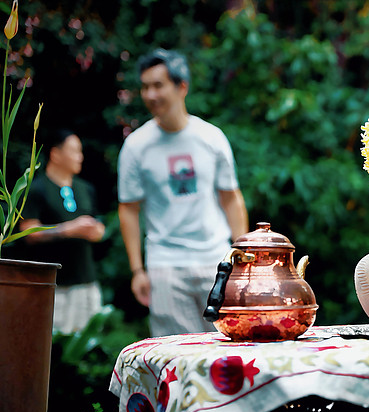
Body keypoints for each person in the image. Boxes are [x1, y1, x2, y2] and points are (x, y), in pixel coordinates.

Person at [117, 48, 248, 337]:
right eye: (145, 87)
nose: (150, 94)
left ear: (182, 87)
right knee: (174, 355)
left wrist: (241, 256)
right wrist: (138, 270)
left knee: (228, 345)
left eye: (158, 85)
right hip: (165, 265)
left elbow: (231, 197)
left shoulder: (211, 138)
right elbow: (128, 208)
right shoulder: (136, 146)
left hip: (216, 261)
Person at [20, 129, 106, 333]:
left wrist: (96, 231)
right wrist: (68, 229)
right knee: (53, 348)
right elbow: (27, 232)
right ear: (55, 154)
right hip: (53, 286)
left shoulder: (85, 188)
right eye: (75, 151)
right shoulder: (35, 188)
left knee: (89, 347)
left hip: (86, 282)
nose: (80, 157)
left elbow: (98, 224)